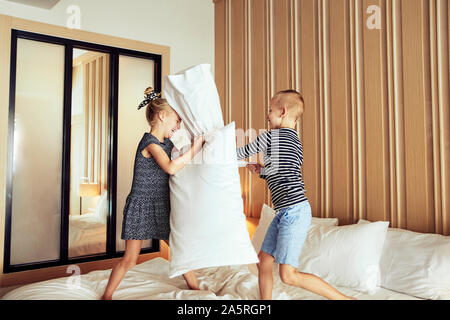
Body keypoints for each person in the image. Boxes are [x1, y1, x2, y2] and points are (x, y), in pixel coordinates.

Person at [237, 90, 355, 300]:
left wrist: (208, 145)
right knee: (264, 260)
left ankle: (346, 300)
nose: (267, 115)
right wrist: (262, 171)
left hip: (294, 212)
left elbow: (239, 153)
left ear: (282, 112)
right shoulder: (295, 142)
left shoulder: (271, 137)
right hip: (285, 211)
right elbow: (286, 171)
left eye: (270, 110)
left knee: (288, 275)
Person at [101, 87, 205, 300]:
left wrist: (198, 143)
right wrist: (196, 146)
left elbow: (184, 154)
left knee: (179, 250)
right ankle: (107, 295)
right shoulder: (149, 143)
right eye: (176, 121)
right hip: (141, 205)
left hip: (161, 205)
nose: (178, 126)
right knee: (130, 259)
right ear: (162, 116)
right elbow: (171, 167)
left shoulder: (167, 143)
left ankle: (195, 289)